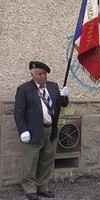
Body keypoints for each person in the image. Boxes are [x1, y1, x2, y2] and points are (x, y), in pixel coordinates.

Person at [14, 61, 69, 200]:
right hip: (33, 131)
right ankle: (30, 189)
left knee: (46, 160)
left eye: (44, 74)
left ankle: (42, 187)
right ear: (32, 74)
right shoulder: (24, 89)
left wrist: (64, 96)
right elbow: (18, 113)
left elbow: (63, 104)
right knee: (30, 162)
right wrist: (23, 131)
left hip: (50, 130)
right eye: (39, 74)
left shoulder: (53, 87)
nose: (42, 76)